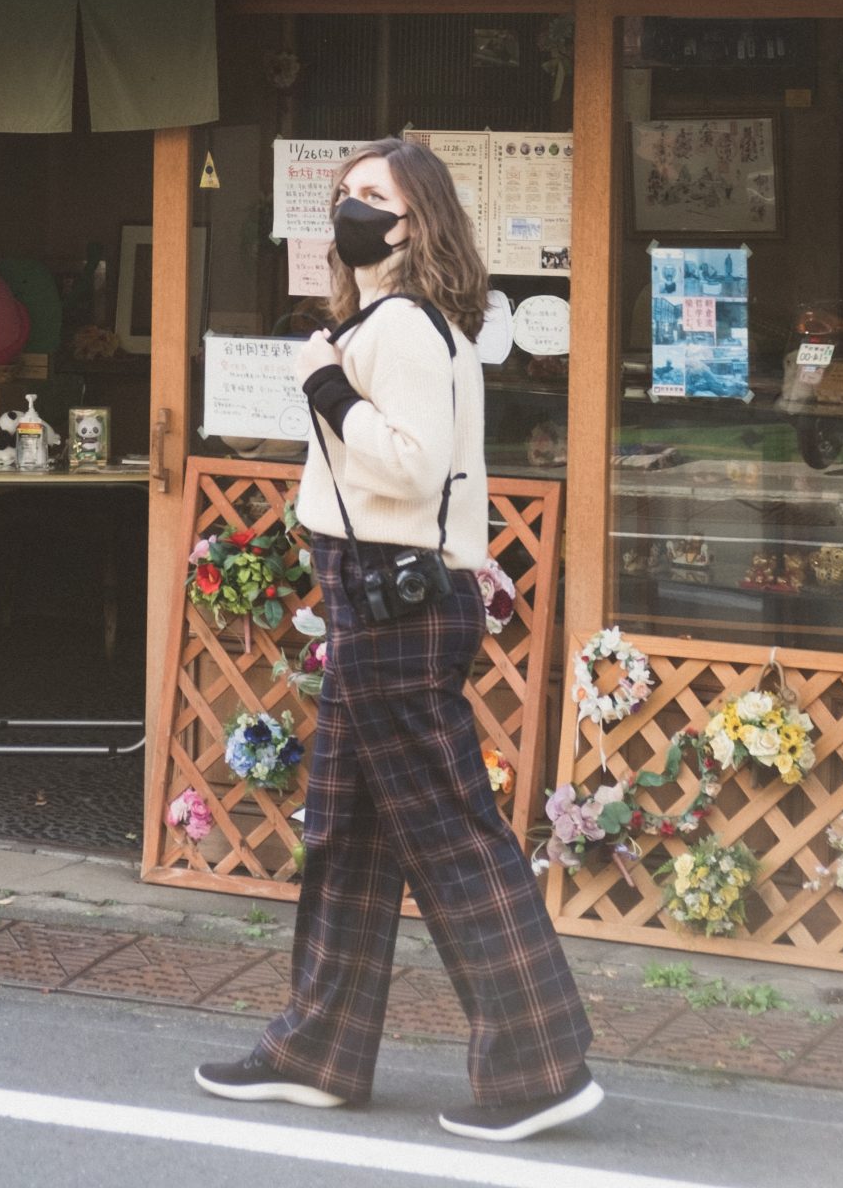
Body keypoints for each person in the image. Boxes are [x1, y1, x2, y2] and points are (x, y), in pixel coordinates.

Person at [194, 137, 599, 1144]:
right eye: (344, 192)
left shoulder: (404, 330)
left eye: (370, 195)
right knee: (351, 832)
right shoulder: (409, 324)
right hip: (387, 597)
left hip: (392, 600)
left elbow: (411, 473)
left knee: (454, 835)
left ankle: (539, 1063)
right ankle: (317, 1051)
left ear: (415, 221)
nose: (349, 207)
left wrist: (325, 384)